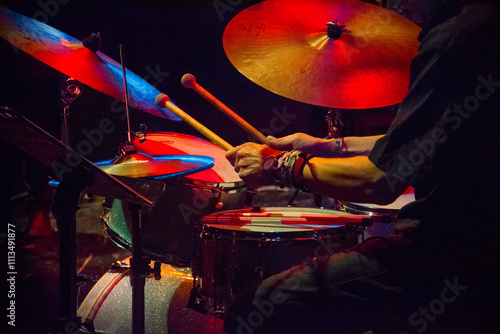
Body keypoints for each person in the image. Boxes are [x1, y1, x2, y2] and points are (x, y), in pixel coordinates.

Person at [223, 0, 500, 333]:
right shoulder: (486, 23)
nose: (397, 4)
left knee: (258, 306)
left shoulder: (451, 43)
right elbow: (426, 137)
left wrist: (277, 165)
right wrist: (328, 146)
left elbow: (380, 182)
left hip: (454, 258)